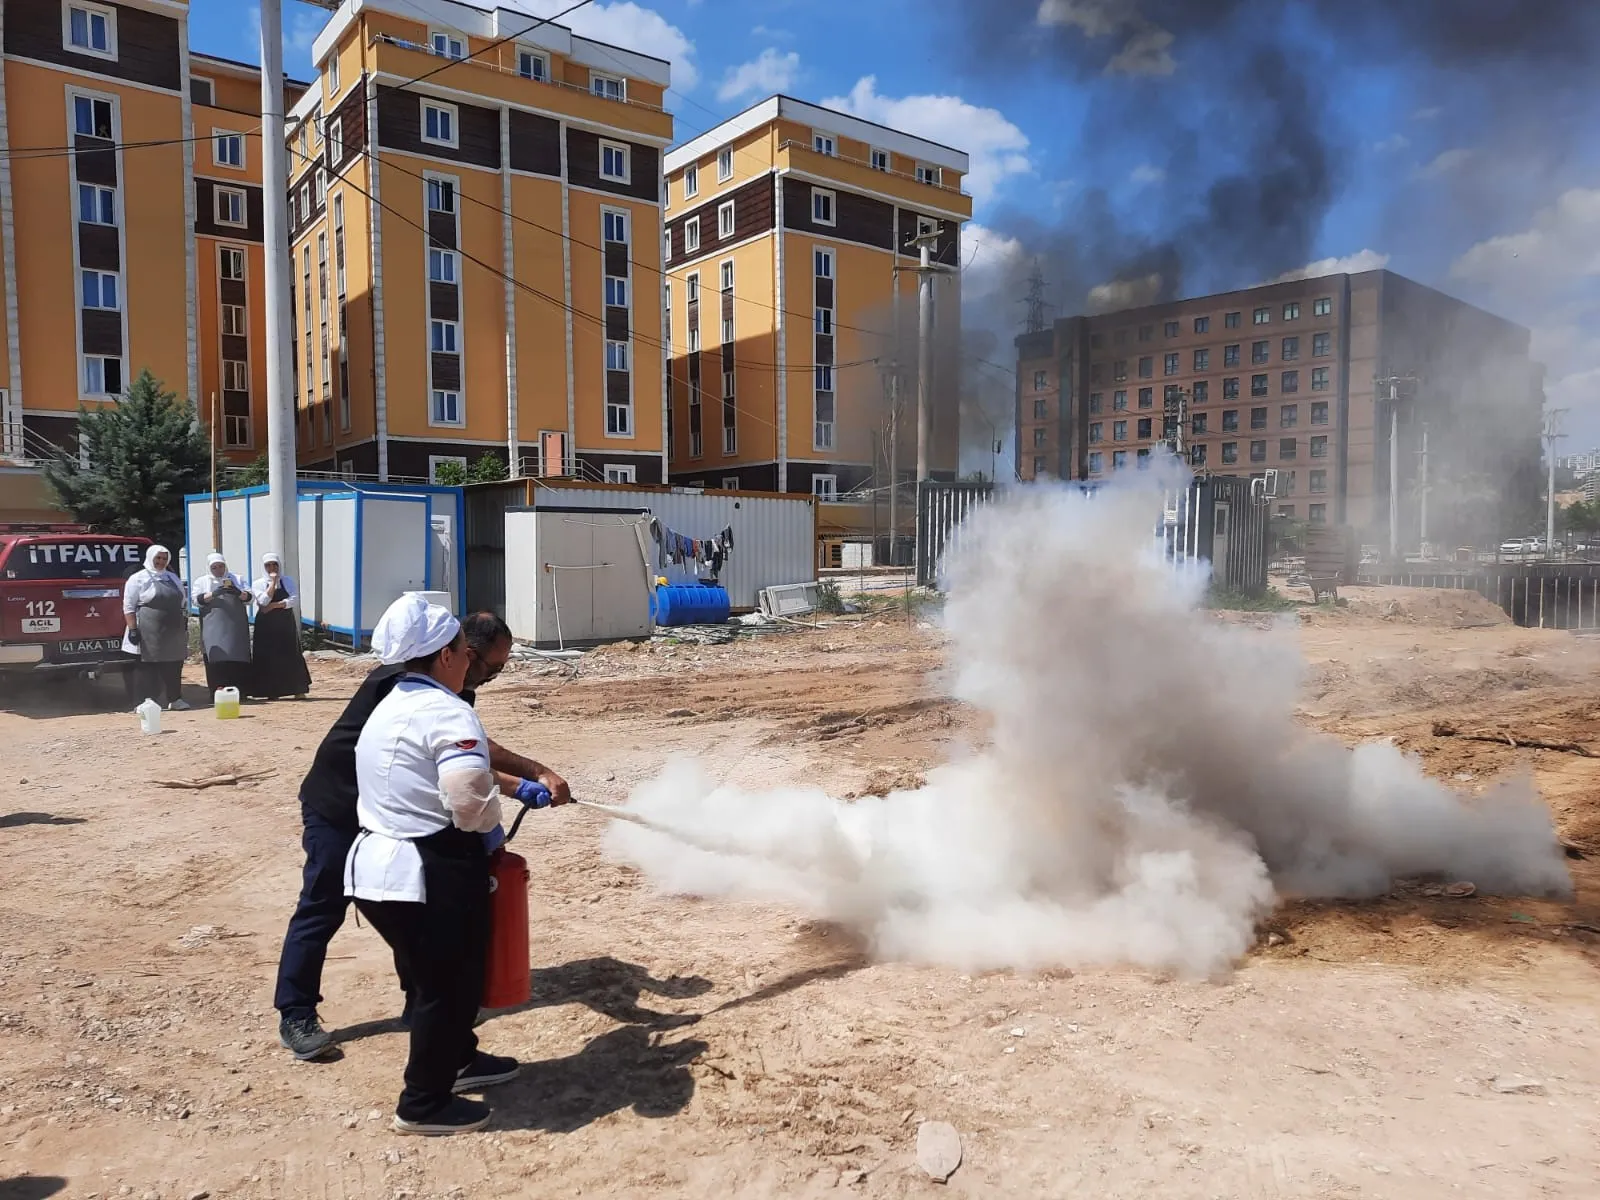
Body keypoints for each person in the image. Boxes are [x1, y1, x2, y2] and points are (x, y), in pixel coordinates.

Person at [274, 607, 569, 1063]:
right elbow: (468, 760)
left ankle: (425, 1006)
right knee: (322, 906)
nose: (494, 676)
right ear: (461, 654)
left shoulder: (451, 686)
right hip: (339, 807)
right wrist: (530, 775)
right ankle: (296, 1012)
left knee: (411, 910)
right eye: (493, 666)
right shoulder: (406, 681)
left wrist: (518, 785)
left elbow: (455, 758)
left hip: (392, 813)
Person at [344, 595, 542, 1135]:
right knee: (448, 986)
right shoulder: (449, 711)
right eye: (460, 648)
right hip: (426, 869)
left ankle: (458, 1061)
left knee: (440, 979)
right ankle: (423, 1103)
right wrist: (490, 828)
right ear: (446, 656)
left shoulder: (391, 702)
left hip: (374, 868)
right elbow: (466, 797)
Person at [122, 544, 190, 711]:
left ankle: (175, 699)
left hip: (172, 630)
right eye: (158, 558)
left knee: (174, 665)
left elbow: (183, 602)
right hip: (147, 630)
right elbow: (129, 606)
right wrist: (132, 629)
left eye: (164, 558)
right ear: (151, 558)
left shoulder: (172, 578)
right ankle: (145, 702)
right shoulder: (138, 579)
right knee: (147, 667)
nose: (161, 561)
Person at [251, 552, 311, 700]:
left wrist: (275, 606)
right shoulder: (258, 583)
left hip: (284, 622)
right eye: (268, 565)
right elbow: (263, 601)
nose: (272, 568)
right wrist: (272, 583)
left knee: (290, 652)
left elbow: (294, 599)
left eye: (274, 565)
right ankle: (270, 691)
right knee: (268, 655)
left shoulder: (288, 581)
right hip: (266, 625)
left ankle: (297, 688)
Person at [193, 552, 253, 695]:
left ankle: (241, 692)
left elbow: (250, 598)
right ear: (209, 568)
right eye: (214, 567)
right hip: (213, 628)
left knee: (237, 657)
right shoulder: (202, 582)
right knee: (216, 659)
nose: (218, 570)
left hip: (235, 627)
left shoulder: (237, 578)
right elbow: (196, 600)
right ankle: (217, 692)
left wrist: (237, 592)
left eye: (221, 566)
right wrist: (214, 593)